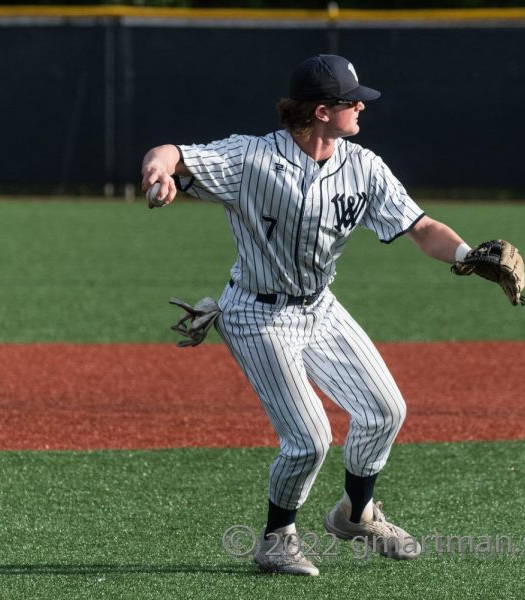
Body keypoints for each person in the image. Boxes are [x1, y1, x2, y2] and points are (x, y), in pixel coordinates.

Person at [140, 54, 482, 576]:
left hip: (321, 309)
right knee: (309, 439)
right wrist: (159, 171)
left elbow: (420, 227)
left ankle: (356, 512)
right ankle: (277, 539)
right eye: (353, 101)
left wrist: (468, 256)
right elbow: (174, 153)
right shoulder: (250, 158)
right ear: (322, 111)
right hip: (257, 314)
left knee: (385, 410)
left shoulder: (363, 165)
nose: (363, 108)